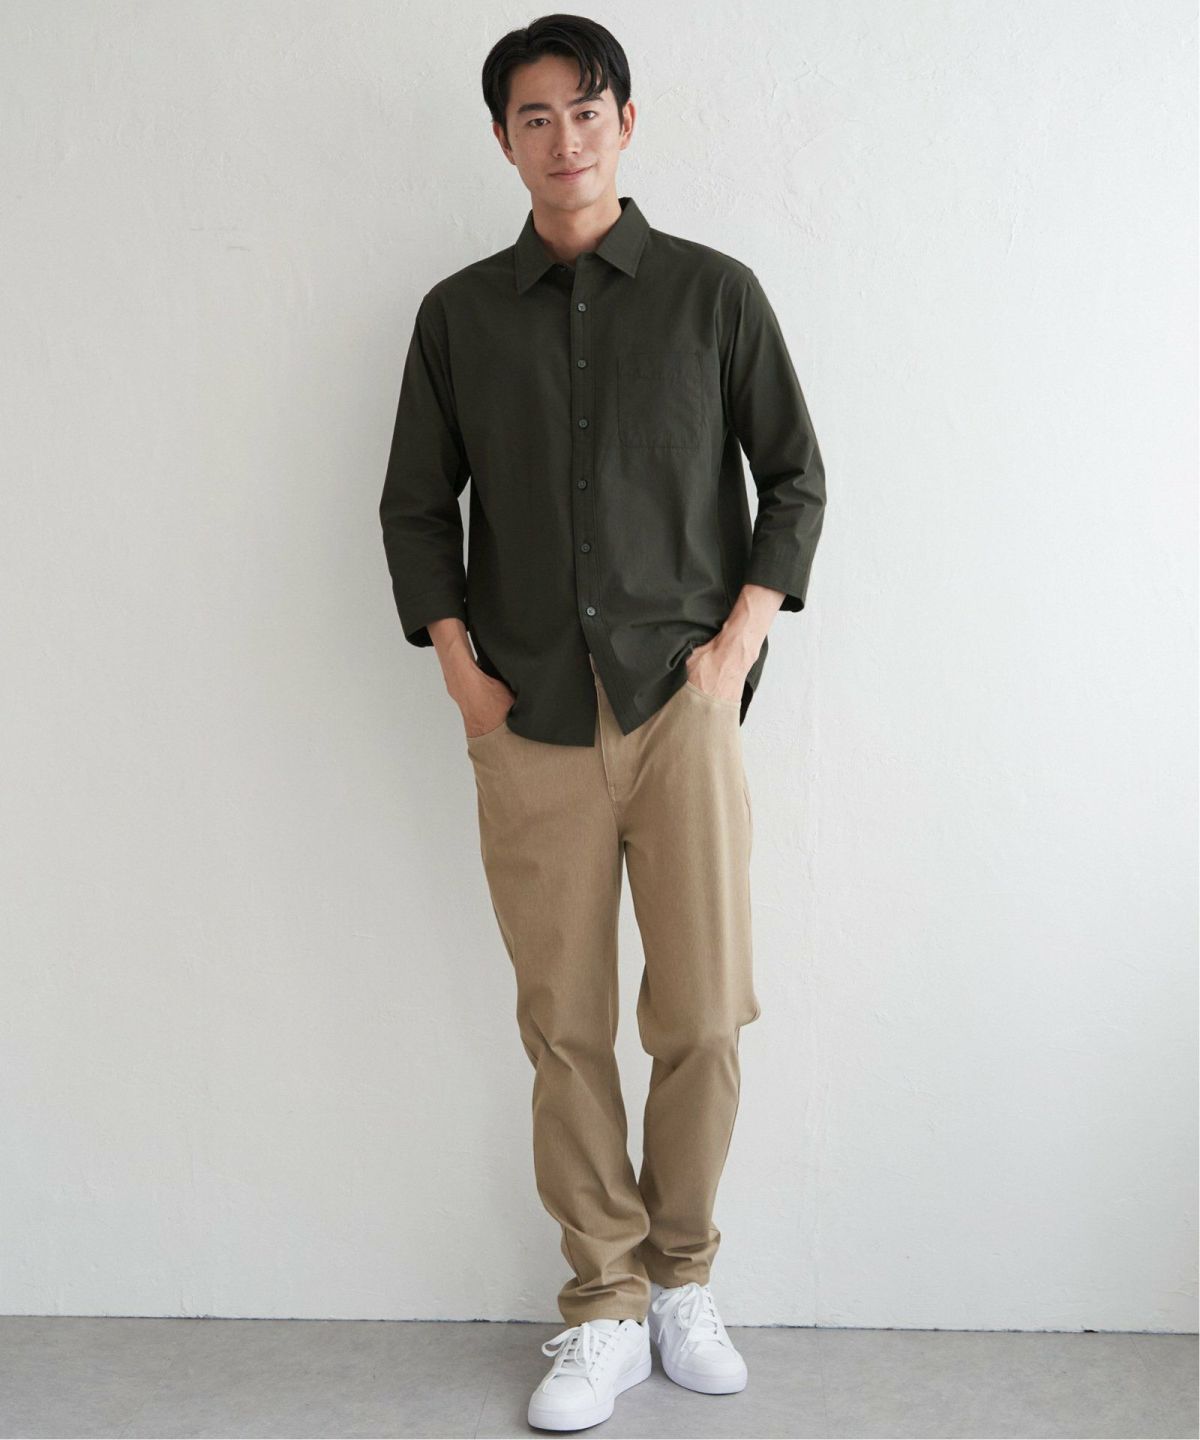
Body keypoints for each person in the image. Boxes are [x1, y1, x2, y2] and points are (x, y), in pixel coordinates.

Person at [379, 13, 826, 1431]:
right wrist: (463, 674)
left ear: (626, 122)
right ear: (503, 139)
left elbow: (796, 479)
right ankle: (606, 1304)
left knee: (703, 1013)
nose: (563, 139)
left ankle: (684, 1276)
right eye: (535, 116)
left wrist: (736, 646)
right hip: (530, 721)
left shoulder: (714, 296)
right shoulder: (458, 317)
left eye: (585, 110)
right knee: (564, 1028)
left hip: (681, 709)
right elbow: (413, 507)